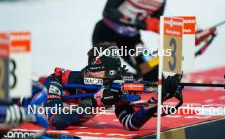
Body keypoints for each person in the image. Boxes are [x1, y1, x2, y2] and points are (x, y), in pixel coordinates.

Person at [26, 43, 182, 130]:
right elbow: (58, 120)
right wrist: (95, 102)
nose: (114, 79)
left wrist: (157, 99)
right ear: (95, 70)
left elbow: (131, 123)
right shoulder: (58, 80)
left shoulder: (113, 88)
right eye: (110, 73)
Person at [92, 0, 179, 81]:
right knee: (110, 77)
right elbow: (108, 10)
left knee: (156, 76)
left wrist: (184, 31)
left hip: (132, 41)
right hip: (107, 36)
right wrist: (135, 21)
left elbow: (156, 19)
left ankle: (135, 77)